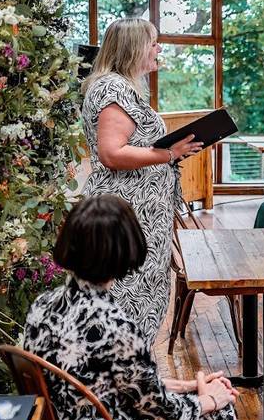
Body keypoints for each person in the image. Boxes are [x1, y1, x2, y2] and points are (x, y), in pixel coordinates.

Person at [21, 195, 264, 420]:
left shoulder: (44, 307)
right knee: (219, 415)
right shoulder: (114, 325)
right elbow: (161, 410)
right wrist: (208, 399)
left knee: (210, 409)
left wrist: (189, 388)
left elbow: (104, 384)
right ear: (123, 251)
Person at [81, 18, 203, 341]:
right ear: (133, 48)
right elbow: (112, 153)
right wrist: (168, 154)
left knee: (137, 302)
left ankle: (131, 376)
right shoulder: (112, 88)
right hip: (126, 217)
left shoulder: (123, 87)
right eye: (152, 42)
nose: (158, 48)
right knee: (123, 302)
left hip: (140, 216)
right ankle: (122, 379)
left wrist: (173, 152)